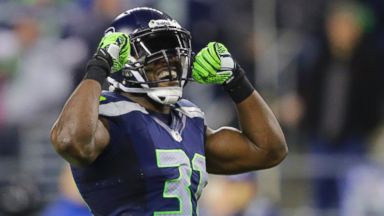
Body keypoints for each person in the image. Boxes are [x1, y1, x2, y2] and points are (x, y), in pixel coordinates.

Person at [50, 7, 288, 216]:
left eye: (174, 51)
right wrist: (98, 67)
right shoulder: (110, 115)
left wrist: (237, 80)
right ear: (123, 59)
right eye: (156, 51)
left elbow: (269, 150)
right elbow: (69, 140)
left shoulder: (188, 118)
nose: (170, 60)